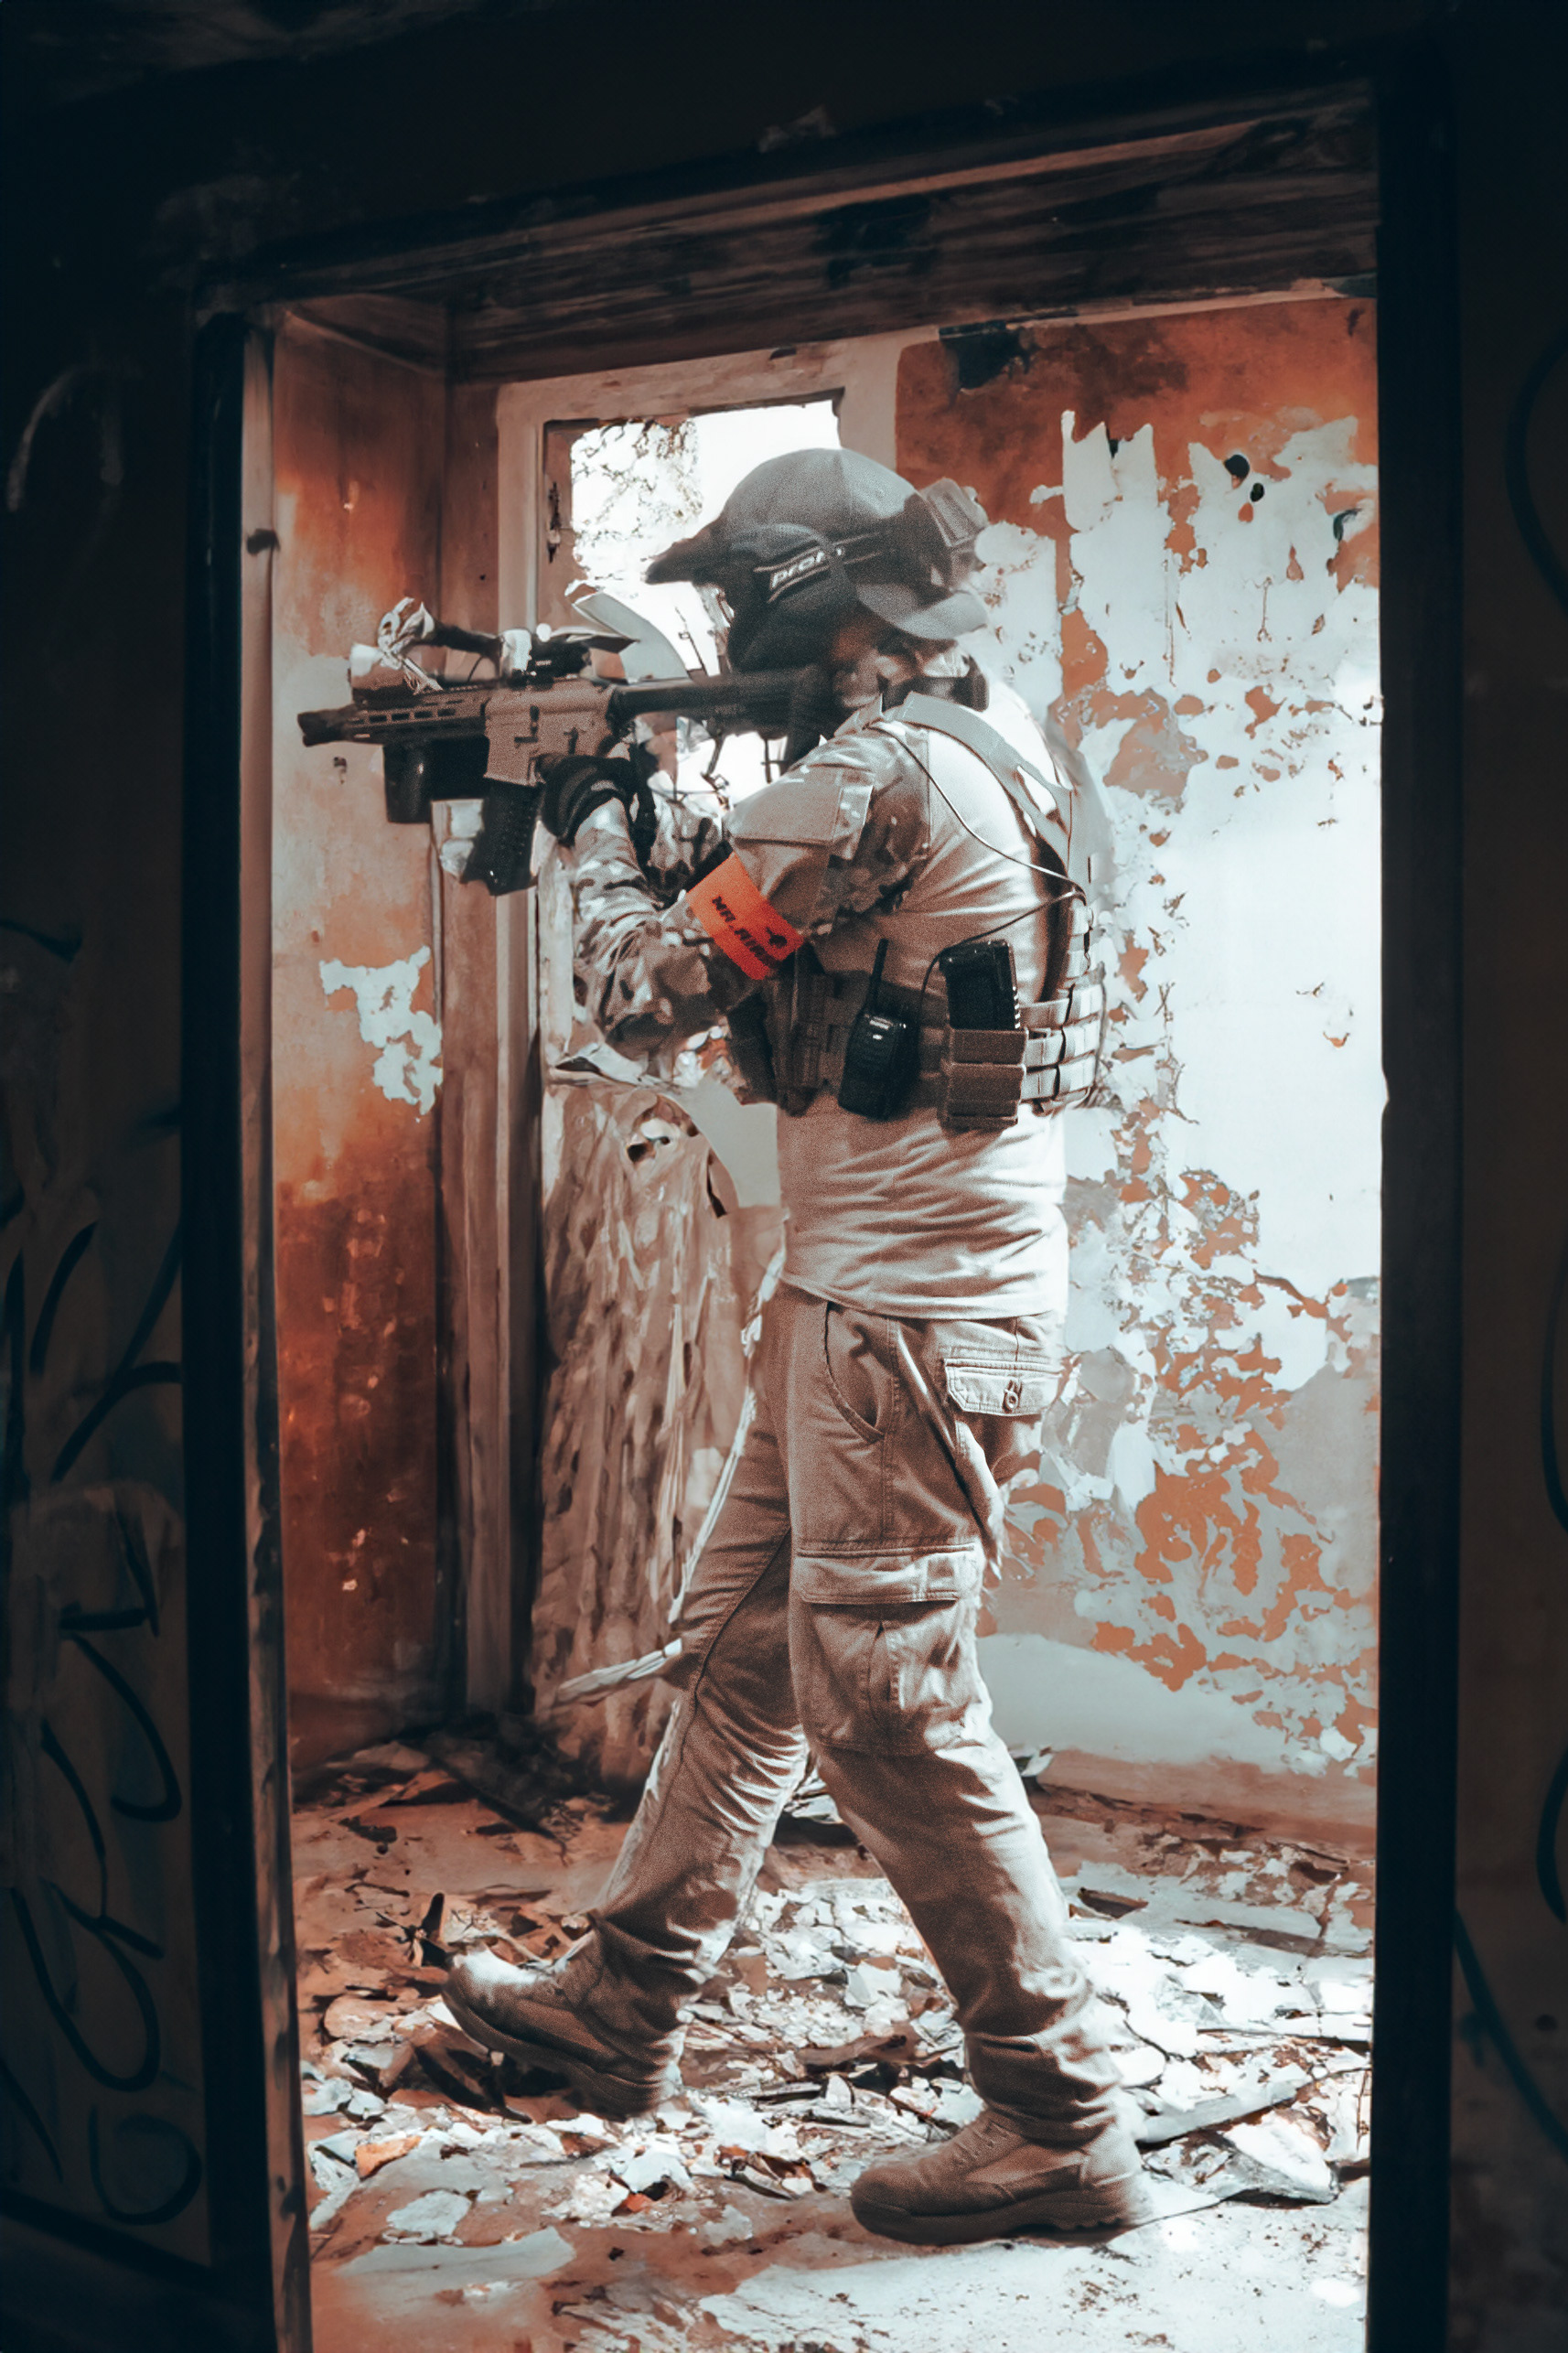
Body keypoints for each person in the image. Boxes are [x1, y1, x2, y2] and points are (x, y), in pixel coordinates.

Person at [446, 447, 1149, 2246]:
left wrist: (599, 816)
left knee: (885, 1697)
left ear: (806, 601)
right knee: (747, 1651)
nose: (719, 647)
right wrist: (660, 812)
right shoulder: (979, 734)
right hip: (879, 1298)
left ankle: (1056, 2114)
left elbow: (638, 995)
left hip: (906, 1320)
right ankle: (624, 2002)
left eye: (732, 608)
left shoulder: (878, 771)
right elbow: (786, 938)